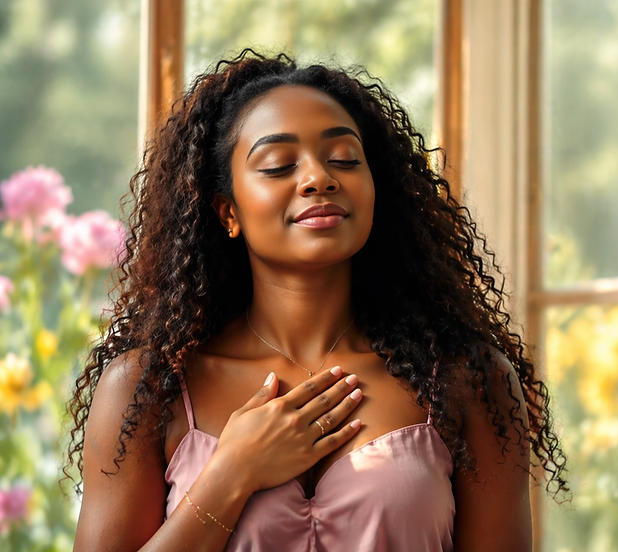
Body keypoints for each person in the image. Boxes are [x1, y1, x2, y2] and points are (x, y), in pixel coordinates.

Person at [65, 50, 566, 551]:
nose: (319, 178)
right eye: (279, 164)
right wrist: (231, 475)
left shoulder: (469, 383)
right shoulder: (147, 390)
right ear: (228, 212)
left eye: (344, 159)